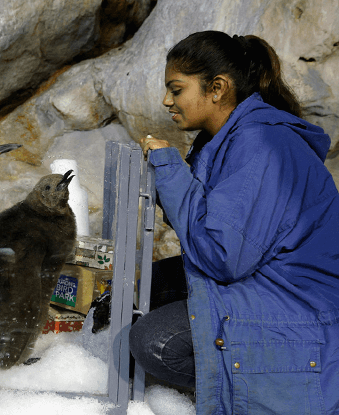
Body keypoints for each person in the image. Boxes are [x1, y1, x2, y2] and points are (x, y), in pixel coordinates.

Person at [130, 30, 339, 414]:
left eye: (176, 90)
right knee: (137, 289)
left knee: (154, 341)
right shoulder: (227, 140)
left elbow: (222, 256)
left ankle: (245, 386)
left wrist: (173, 174)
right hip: (265, 280)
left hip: (298, 308)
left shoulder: (261, 144)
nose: (166, 101)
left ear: (217, 88)